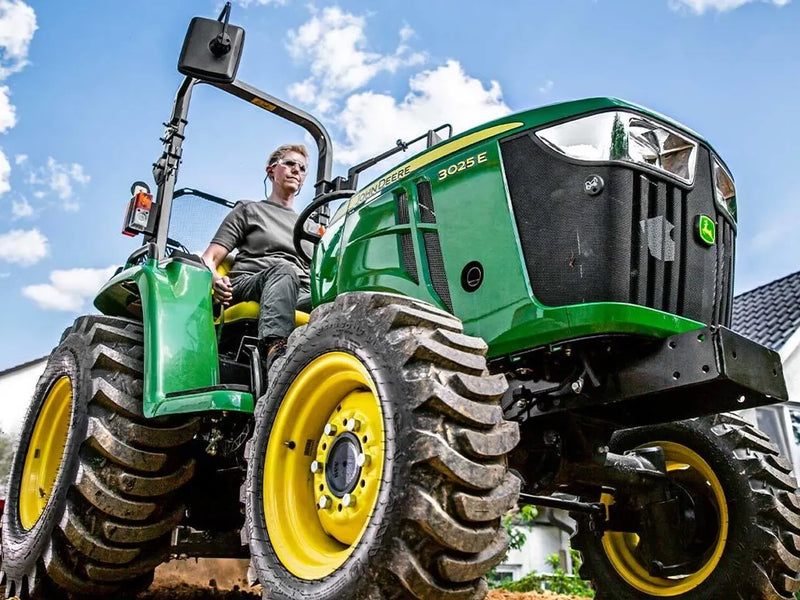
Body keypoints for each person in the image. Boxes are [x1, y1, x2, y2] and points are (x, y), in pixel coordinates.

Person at [201, 143, 311, 365]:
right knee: (284, 271)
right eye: (290, 163)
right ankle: (275, 355)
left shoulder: (309, 227)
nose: (296, 170)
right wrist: (215, 279)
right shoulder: (249, 210)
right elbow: (209, 258)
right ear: (271, 170)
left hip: (300, 292)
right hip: (252, 283)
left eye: (302, 168)